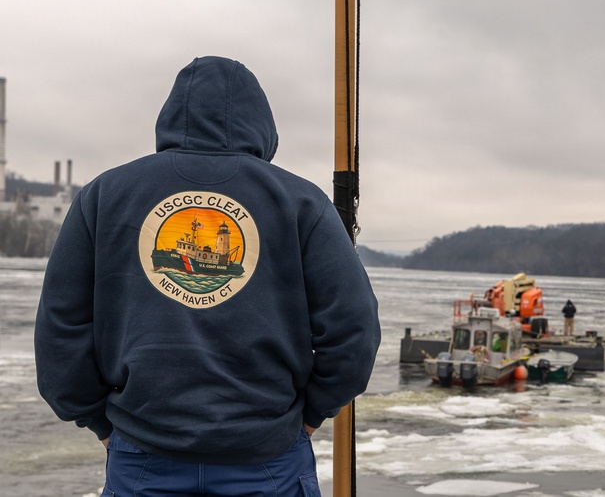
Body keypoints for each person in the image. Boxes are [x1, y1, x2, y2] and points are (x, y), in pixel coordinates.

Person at [34, 56, 381, 497]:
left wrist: (99, 420)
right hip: (267, 458)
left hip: (142, 456)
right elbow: (355, 328)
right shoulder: (302, 202)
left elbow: (59, 328)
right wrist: (309, 415)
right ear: (264, 125)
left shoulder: (103, 196)